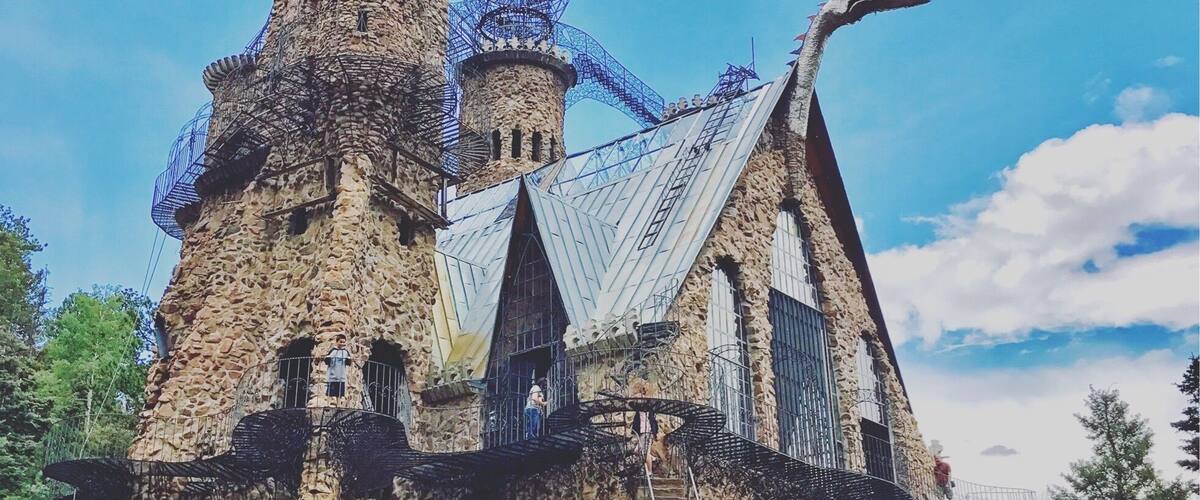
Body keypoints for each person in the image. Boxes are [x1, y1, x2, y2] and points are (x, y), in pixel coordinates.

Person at [631, 410, 660, 476]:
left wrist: (655, 434)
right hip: (642, 433)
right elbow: (636, 423)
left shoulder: (650, 413)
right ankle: (653, 458)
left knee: (646, 453)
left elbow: (654, 423)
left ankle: (649, 471)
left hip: (647, 433)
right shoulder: (638, 413)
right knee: (636, 450)